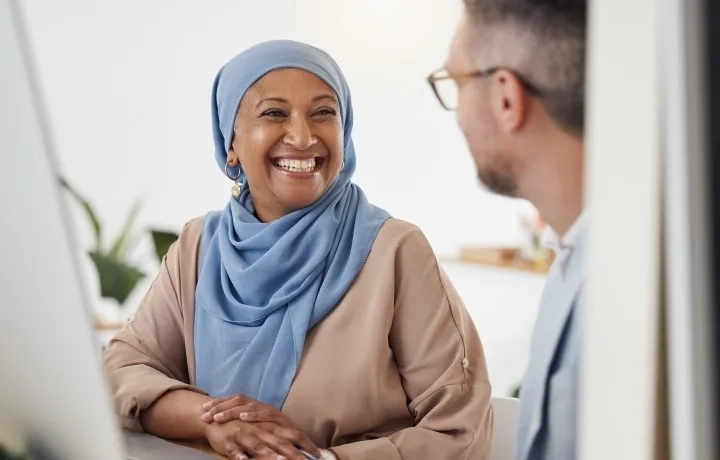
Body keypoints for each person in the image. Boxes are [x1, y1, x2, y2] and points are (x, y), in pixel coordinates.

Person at [104, 40, 493, 460]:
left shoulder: (394, 251)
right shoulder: (199, 248)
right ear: (230, 143)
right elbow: (121, 369)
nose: (303, 137)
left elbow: (461, 431)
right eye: (274, 113)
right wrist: (212, 418)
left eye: (324, 112)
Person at [429, 0, 587, 458]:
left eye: (454, 85)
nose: (456, 115)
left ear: (505, 97)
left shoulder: (625, 286)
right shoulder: (570, 264)